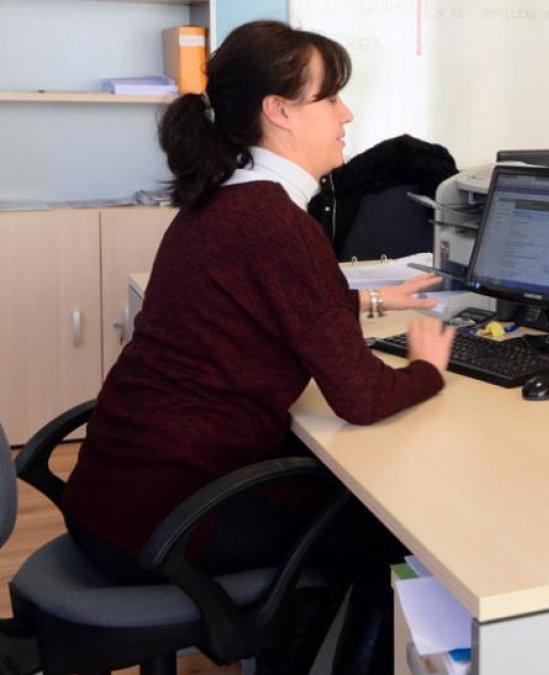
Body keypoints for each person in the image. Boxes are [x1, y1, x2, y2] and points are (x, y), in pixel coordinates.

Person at [60, 20, 455, 673]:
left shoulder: (220, 201)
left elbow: (266, 300)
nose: (346, 113)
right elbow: (360, 395)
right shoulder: (278, 224)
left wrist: (375, 300)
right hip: (165, 520)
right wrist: (427, 368)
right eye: (331, 98)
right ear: (279, 111)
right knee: (385, 533)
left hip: (112, 494)